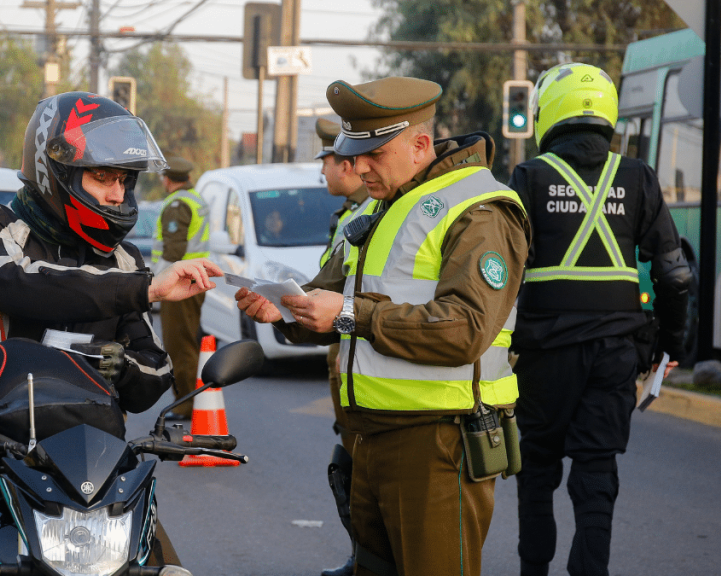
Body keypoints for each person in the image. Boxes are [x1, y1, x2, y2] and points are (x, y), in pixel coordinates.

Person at [0, 92, 222, 576]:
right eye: (102, 178)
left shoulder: (124, 260)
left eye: (123, 180)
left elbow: (155, 371)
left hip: (96, 469)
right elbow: (21, 287)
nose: (117, 194)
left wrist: (122, 364)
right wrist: (144, 288)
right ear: (56, 173)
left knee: (170, 571)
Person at [237, 76, 530, 576]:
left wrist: (349, 313)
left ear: (420, 145)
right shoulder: (380, 205)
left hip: (438, 443)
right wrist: (286, 310)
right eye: (353, 151)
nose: (357, 166)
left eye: (373, 152)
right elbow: (328, 301)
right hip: (369, 437)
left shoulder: (479, 208)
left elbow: (465, 329)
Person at [508, 62, 690, 576]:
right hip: (615, 354)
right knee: (595, 476)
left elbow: (498, 271)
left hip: (544, 355)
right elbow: (675, 277)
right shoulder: (637, 176)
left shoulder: (529, 177)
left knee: (536, 472)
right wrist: (669, 347)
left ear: (552, 111)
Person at [314, 116, 369, 576]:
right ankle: (360, 558)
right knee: (348, 466)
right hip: (344, 360)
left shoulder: (368, 215)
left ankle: (362, 559)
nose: (323, 171)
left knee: (358, 470)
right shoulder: (351, 215)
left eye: (327, 161)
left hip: (359, 360)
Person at [151, 156, 210, 420]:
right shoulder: (194, 199)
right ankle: (187, 399)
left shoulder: (177, 204)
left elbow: (173, 251)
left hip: (180, 282)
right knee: (187, 341)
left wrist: (155, 281)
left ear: (168, 179)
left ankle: (186, 403)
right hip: (193, 279)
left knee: (179, 345)